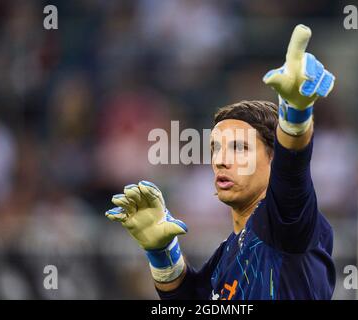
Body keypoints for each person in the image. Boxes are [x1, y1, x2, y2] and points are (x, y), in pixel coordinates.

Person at [105, 25, 336, 300]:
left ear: (273, 160)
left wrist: (296, 114)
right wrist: (163, 253)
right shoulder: (229, 251)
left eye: (239, 148)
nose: (222, 160)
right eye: (216, 148)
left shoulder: (286, 221)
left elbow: (293, 170)